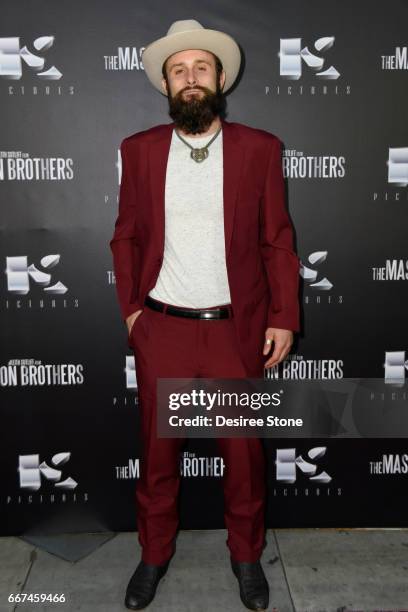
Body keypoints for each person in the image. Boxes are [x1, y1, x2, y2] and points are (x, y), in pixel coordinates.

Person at [110, 19, 300, 611]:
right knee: (157, 456)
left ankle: (246, 557)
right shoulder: (138, 151)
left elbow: (277, 240)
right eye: (178, 70)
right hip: (162, 328)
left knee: (243, 458)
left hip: (233, 332)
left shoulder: (260, 149)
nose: (190, 79)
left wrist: (283, 315)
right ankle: (153, 554)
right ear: (166, 85)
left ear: (220, 78)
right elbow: (127, 236)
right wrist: (133, 313)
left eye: (200, 68)